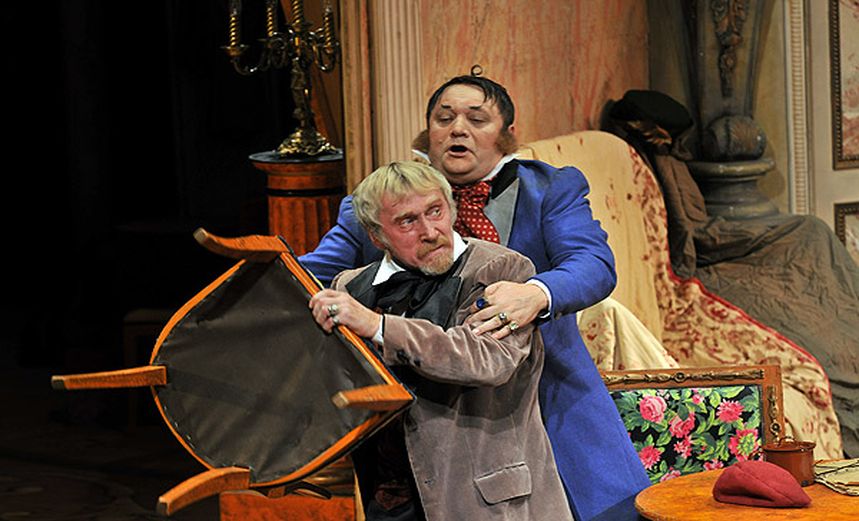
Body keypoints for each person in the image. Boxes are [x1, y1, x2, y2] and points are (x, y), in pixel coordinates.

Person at [300, 74, 650, 520]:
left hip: (540, 390)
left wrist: (536, 293)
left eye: (476, 119)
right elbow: (311, 275)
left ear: (506, 134)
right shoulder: (381, 202)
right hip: (431, 414)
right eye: (444, 118)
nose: (457, 129)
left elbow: (592, 263)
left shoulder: (549, 189)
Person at [308, 161, 573, 520]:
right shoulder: (351, 287)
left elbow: (484, 359)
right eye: (407, 221)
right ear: (376, 237)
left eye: (435, 211)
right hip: (390, 500)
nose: (430, 231)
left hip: (485, 502)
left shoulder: (500, 269)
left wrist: (378, 326)